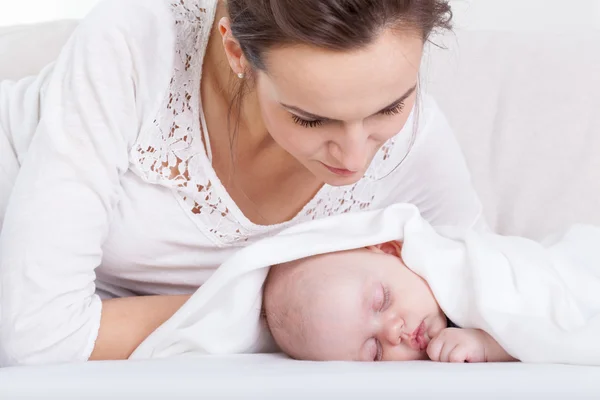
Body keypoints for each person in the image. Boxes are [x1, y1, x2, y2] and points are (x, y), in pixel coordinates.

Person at [0, 0, 485, 366]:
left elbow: (490, 293)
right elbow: (38, 335)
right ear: (236, 50)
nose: (356, 157)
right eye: (311, 119)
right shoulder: (135, 44)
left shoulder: (415, 143)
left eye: (390, 107)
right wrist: (291, 322)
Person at [263, 242, 516, 363]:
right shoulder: (444, 352)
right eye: (376, 352)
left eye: (383, 301)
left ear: (391, 250)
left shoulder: (463, 266)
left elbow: (543, 319)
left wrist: (488, 345)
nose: (394, 332)